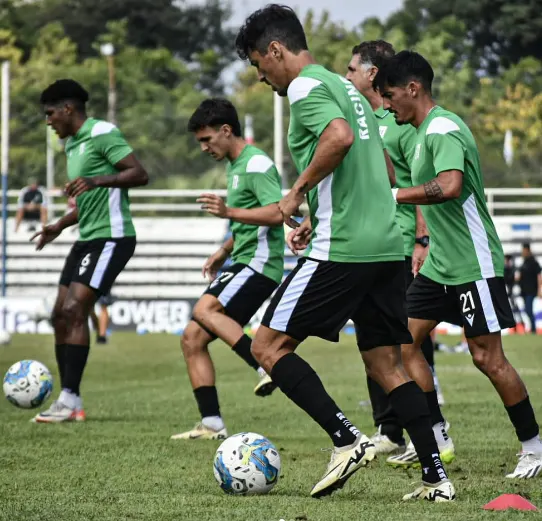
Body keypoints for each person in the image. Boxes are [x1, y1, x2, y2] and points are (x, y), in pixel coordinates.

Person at [235, 5, 454, 502]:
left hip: (347, 248)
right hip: (383, 245)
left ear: (275, 50)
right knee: (387, 365)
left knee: (265, 347)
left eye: (257, 63)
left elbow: (339, 140)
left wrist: (295, 194)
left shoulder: (306, 87)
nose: (260, 75)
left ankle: (346, 438)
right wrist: (319, 213)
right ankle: (436, 479)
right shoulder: (347, 89)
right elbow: (376, 163)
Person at [375, 50, 542, 478]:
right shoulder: (418, 131)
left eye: (391, 96)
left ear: (413, 89)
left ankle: (534, 447)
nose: (387, 105)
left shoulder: (443, 128)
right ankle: (435, 431)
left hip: (473, 262)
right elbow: (429, 198)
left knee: (487, 358)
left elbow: (449, 186)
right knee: (403, 342)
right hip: (439, 265)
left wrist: (394, 195)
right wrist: (423, 242)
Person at [345, 39, 445, 455]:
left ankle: (434, 427)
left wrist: (422, 240)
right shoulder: (366, 120)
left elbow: (419, 180)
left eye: (352, 69)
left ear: (372, 73)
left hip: (400, 244)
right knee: (375, 339)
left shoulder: (401, 125)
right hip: (372, 244)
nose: (347, 76)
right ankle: (390, 429)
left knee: (407, 342)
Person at [30, 79, 149, 423]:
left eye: (51, 114)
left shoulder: (102, 133)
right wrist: (60, 225)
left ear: (68, 109)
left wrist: (98, 180)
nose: (48, 121)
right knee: (59, 314)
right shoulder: (71, 146)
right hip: (87, 238)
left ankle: (70, 400)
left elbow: (139, 174)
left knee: (75, 308)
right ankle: (68, 397)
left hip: (112, 238)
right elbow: (88, 200)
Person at [170, 98, 285, 441]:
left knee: (204, 309)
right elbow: (249, 217)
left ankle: (264, 366)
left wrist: (227, 214)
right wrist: (223, 250)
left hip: (260, 263)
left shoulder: (257, 164)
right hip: (242, 259)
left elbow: (277, 213)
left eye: (207, 140)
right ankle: (212, 424)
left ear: (226, 130)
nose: (204, 147)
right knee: (192, 339)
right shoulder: (236, 166)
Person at [518, 243, 541, 334]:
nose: (522, 252)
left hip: (531, 290)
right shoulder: (524, 262)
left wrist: (539, 290)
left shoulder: (533, 262)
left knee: (528, 310)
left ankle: (533, 329)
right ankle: (532, 328)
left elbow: (539, 276)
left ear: (527, 250)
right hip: (524, 291)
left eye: (524, 251)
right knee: (527, 310)